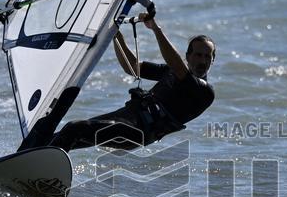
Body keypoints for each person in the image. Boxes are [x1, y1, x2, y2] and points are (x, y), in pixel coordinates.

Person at [22, 14, 215, 152]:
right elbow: (132, 67)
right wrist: (115, 35)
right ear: (188, 56)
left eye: (207, 57)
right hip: (126, 116)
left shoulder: (204, 92)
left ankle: (43, 178)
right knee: (62, 135)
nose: (202, 61)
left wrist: (156, 29)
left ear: (212, 61)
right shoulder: (171, 71)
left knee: (75, 128)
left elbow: (178, 66)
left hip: (138, 131)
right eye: (198, 55)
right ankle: (30, 162)